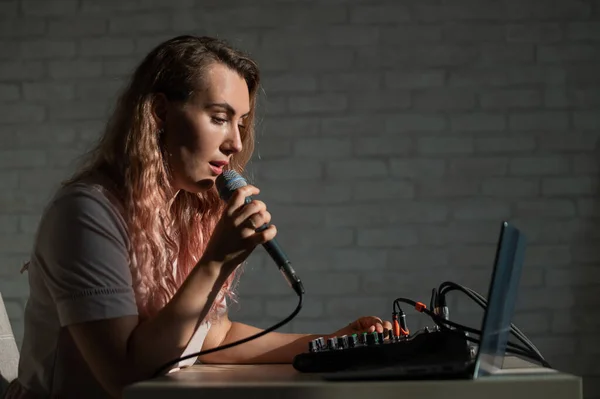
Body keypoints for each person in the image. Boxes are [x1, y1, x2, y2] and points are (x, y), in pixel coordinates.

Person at [5, 35, 391, 399]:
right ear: (158, 112)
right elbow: (122, 378)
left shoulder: (185, 211)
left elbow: (214, 338)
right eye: (220, 117)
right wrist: (217, 260)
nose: (236, 143)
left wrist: (331, 343)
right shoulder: (86, 212)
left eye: (241, 123)